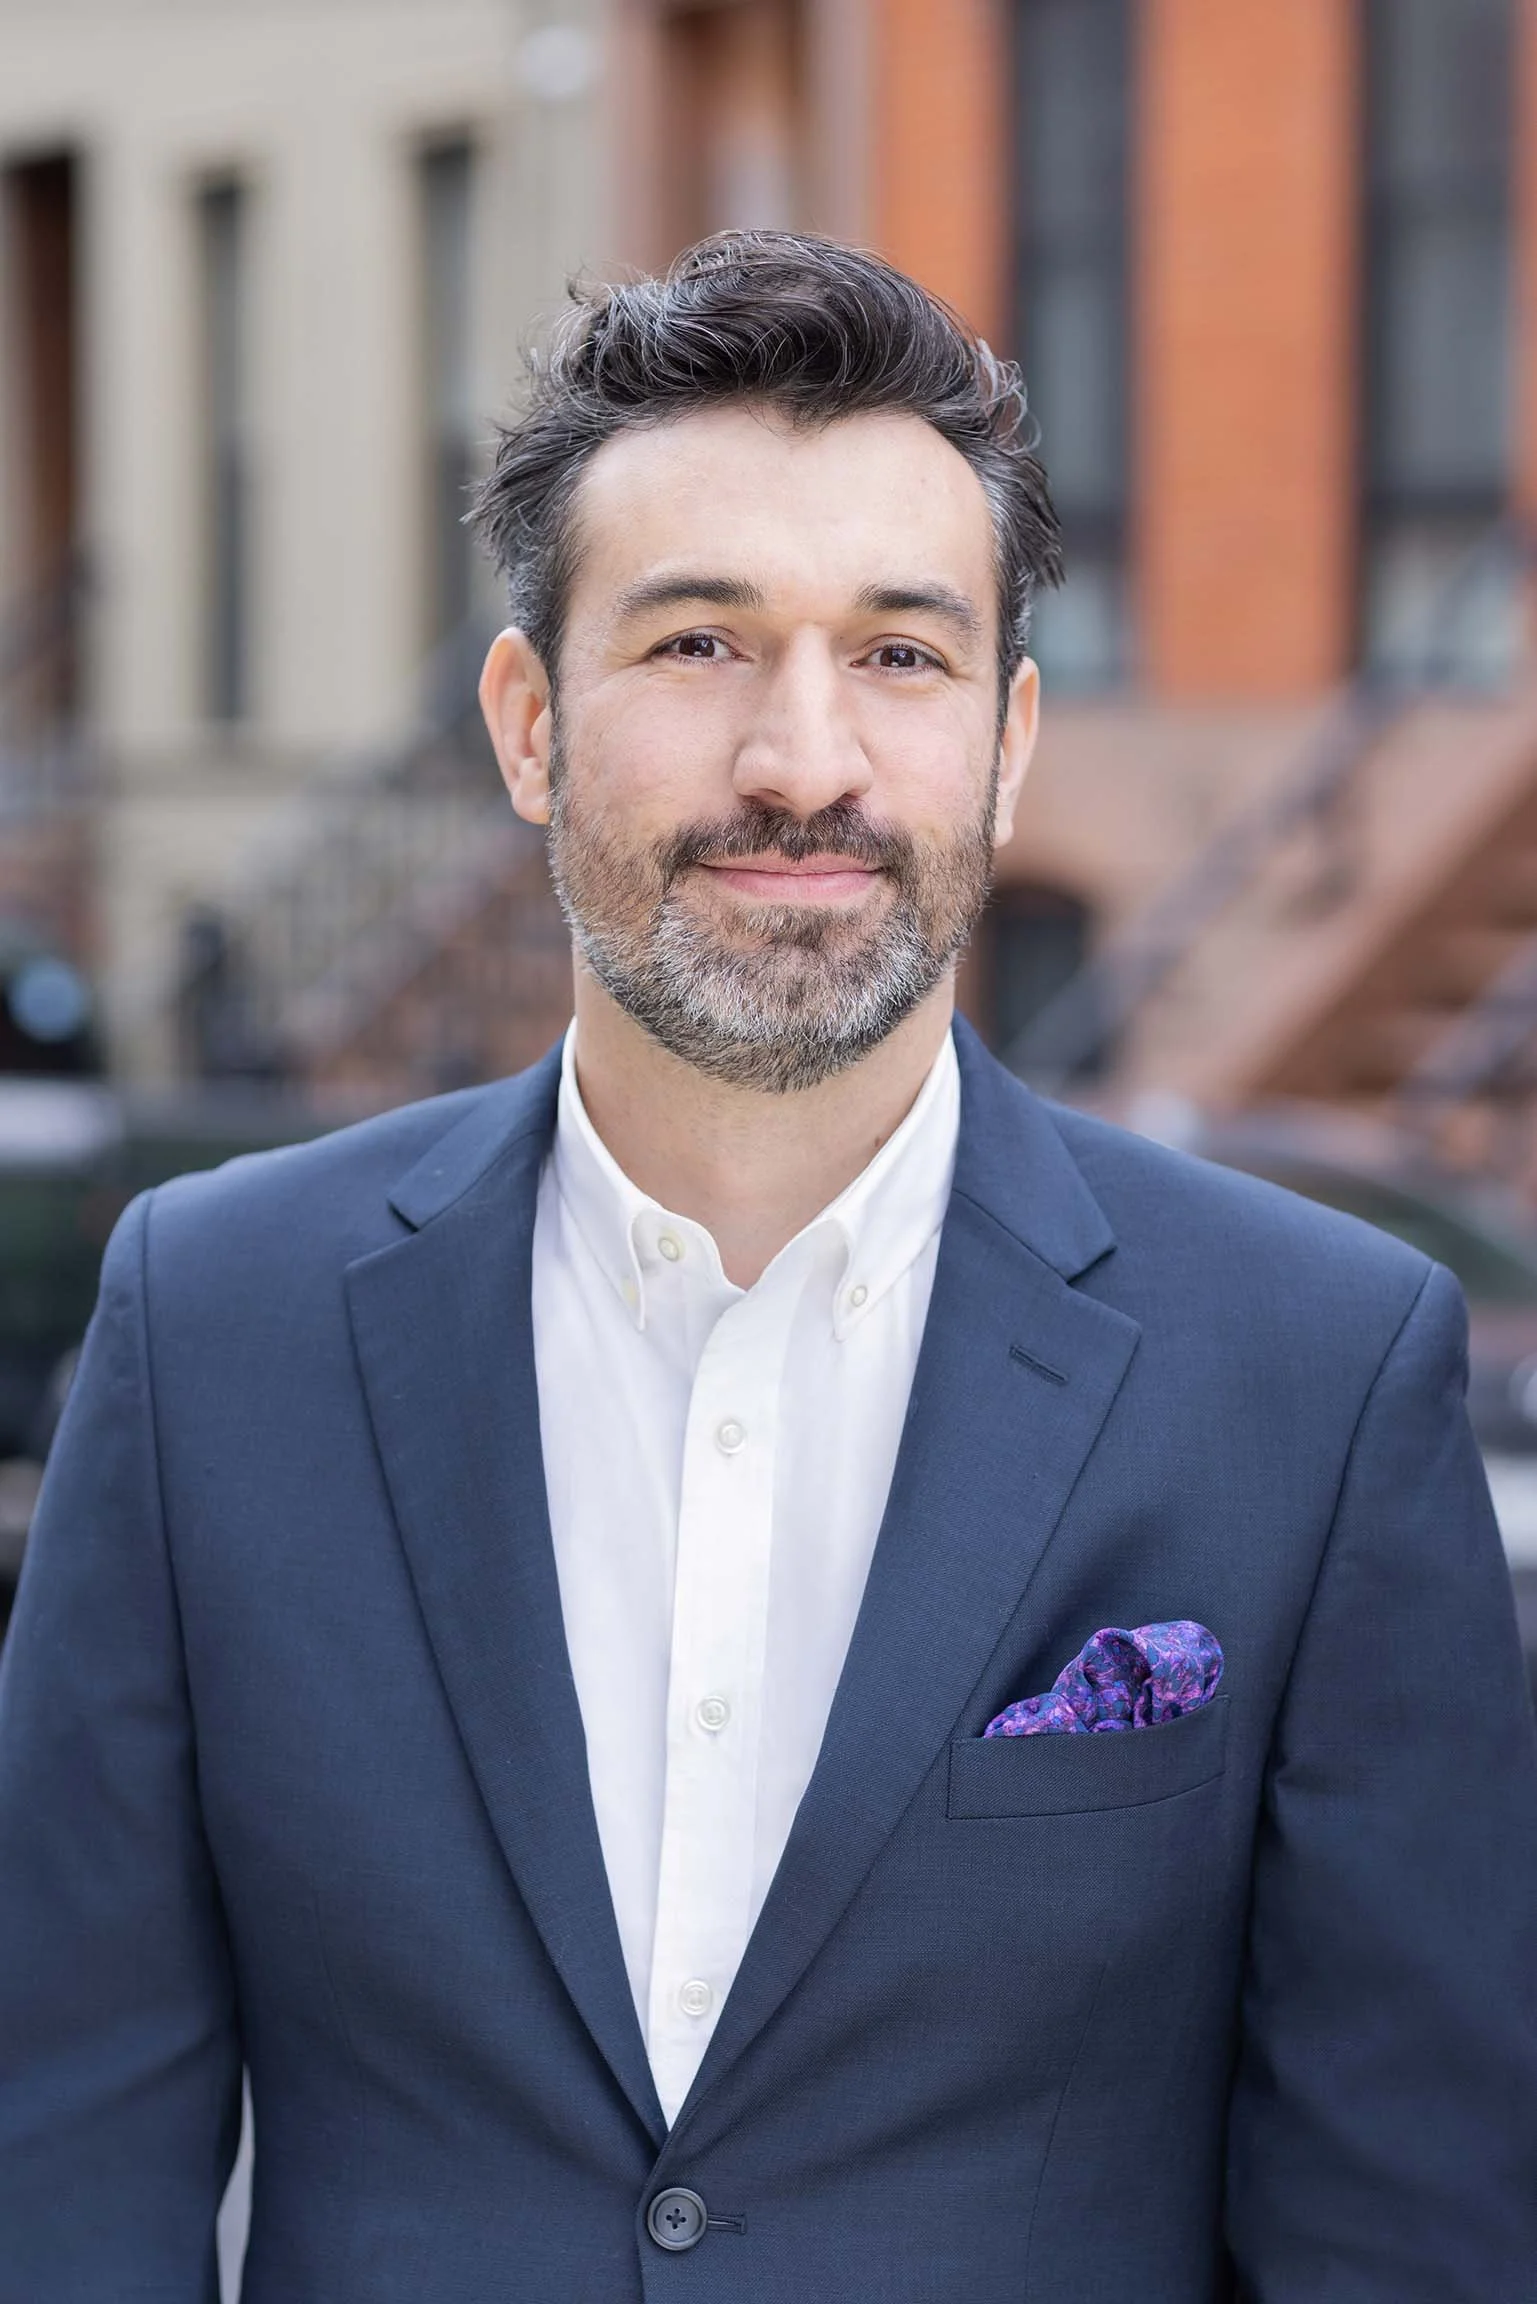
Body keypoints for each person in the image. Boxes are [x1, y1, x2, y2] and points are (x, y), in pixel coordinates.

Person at [1, 231, 1534, 2303]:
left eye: (898, 654)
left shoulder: (1318, 1375)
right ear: (531, 725)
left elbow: (1410, 2235)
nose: (803, 759)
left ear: (1005, 743)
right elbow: (59, 2173)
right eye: (703, 644)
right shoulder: (214, 1329)